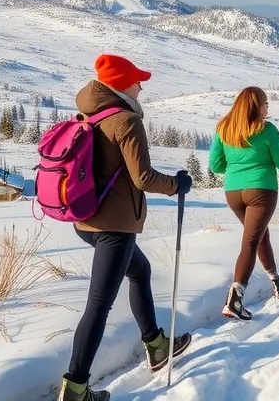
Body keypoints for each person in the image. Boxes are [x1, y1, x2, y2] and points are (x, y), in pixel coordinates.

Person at [58, 54, 195, 401]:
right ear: (122, 85)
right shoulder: (126, 121)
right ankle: (75, 388)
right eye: (137, 81)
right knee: (99, 304)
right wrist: (178, 184)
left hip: (86, 221)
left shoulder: (90, 113)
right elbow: (144, 177)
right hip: (114, 226)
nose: (141, 86)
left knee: (141, 270)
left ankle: (156, 344)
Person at [209, 86, 279, 320]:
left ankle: (276, 279)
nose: (267, 107)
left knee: (259, 235)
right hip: (261, 190)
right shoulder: (267, 130)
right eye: (265, 103)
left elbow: (216, 165)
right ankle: (235, 299)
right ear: (257, 106)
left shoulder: (224, 129)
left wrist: (237, 166)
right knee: (251, 240)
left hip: (233, 192)